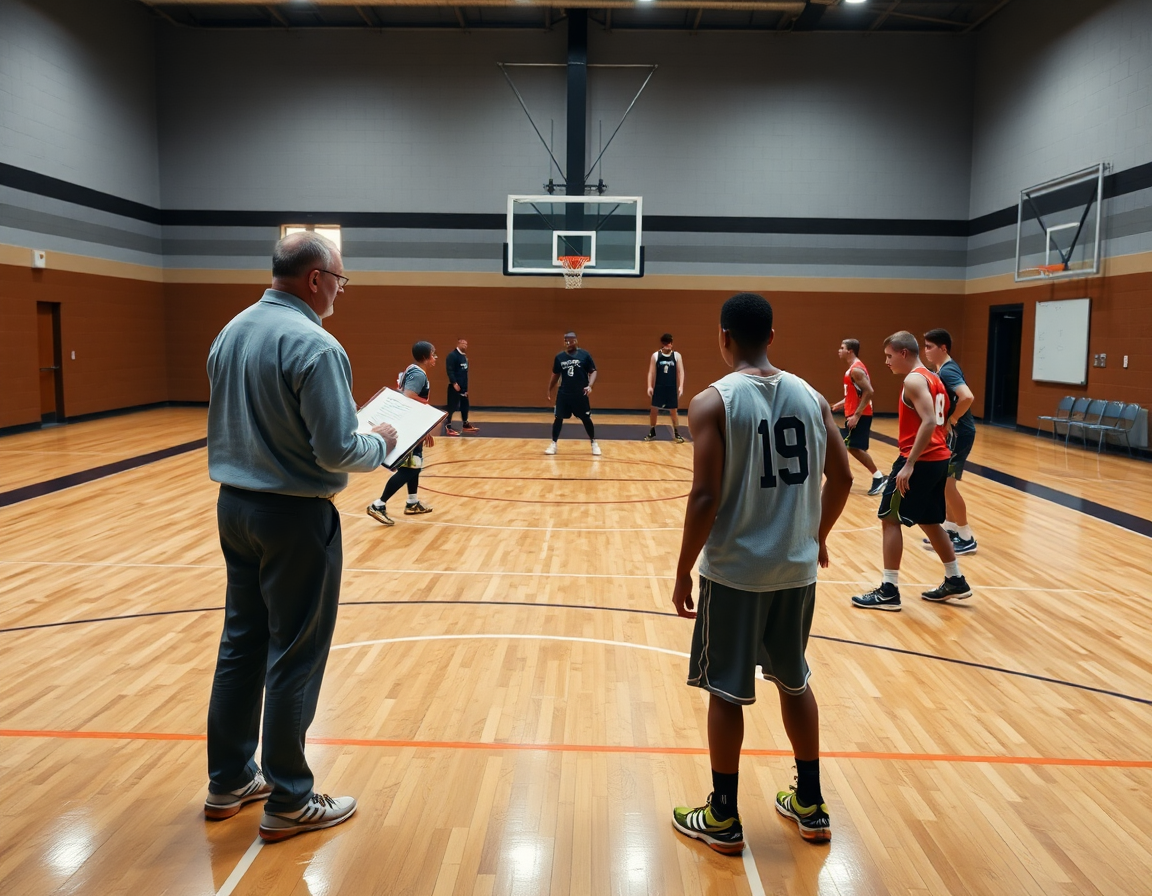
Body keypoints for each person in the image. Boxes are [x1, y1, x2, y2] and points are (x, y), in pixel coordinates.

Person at [204, 232, 398, 842]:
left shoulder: (230, 331)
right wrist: (384, 441)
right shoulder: (316, 344)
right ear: (316, 279)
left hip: (234, 507)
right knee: (295, 652)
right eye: (340, 278)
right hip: (293, 517)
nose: (342, 288)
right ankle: (290, 797)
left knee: (242, 642)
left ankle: (230, 776)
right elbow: (339, 448)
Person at [670, 293, 853, 855]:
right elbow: (843, 478)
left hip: (735, 573)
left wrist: (681, 573)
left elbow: (704, 497)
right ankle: (812, 804)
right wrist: (815, 538)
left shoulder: (712, 402)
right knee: (794, 681)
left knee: (726, 691)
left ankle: (723, 817)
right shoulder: (814, 396)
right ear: (771, 336)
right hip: (796, 572)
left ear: (723, 336)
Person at [852, 331, 973, 612]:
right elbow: (940, 419)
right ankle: (955, 579)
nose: (886, 362)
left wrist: (909, 464)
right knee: (930, 521)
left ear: (903, 353)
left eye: (889, 356)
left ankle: (888, 590)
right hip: (938, 458)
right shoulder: (934, 377)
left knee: (889, 518)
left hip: (919, 461)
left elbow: (930, 421)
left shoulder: (914, 379)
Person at [367, 342, 437, 524]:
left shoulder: (414, 370)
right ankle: (378, 504)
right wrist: (421, 425)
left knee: (414, 466)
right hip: (409, 426)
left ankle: (412, 502)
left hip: (414, 424)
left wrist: (425, 425)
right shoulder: (418, 374)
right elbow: (408, 397)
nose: (435, 358)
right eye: (433, 354)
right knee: (411, 468)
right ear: (426, 357)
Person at [923, 329, 977, 554]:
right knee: (944, 483)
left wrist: (952, 420)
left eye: (929, 347)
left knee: (947, 484)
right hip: (953, 435)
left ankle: (966, 536)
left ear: (943, 348)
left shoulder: (949, 370)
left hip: (959, 434)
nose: (926, 351)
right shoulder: (941, 369)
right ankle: (951, 528)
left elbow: (967, 396)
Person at [830, 339, 887, 495]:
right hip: (854, 413)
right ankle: (847, 476)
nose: (839, 350)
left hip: (861, 415)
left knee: (853, 447)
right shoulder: (852, 370)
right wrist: (841, 404)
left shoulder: (856, 370)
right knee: (849, 446)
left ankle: (878, 477)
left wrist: (856, 415)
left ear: (850, 351)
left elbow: (869, 391)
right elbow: (855, 393)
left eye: (842, 348)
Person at [545, 331, 600, 456]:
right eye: (566, 340)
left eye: (571, 340)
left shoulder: (584, 355)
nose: (569, 343)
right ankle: (553, 444)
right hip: (564, 393)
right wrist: (549, 389)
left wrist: (590, 385)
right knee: (558, 418)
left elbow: (593, 371)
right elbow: (555, 374)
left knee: (586, 418)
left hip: (580, 393)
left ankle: (593, 443)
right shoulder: (559, 357)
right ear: (564, 342)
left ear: (576, 340)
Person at [644, 333, 686, 443]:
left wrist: (681, 386)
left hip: (671, 388)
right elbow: (651, 372)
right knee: (654, 410)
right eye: (666, 343)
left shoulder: (677, 356)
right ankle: (652, 430)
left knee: (673, 411)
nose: (668, 345)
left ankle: (676, 432)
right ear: (663, 344)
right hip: (659, 387)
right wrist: (649, 386)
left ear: (672, 343)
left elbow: (681, 372)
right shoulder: (656, 356)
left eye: (670, 343)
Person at [444, 337, 478, 436]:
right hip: (454, 386)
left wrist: (465, 388)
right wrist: (454, 383)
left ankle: (465, 424)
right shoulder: (452, 355)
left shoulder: (464, 357)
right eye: (462, 343)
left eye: (466, 344)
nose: (464, 345)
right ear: (458, 343)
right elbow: (450, 370)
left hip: (463, 387)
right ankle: (448, 426)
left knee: (465, 405)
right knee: (452, 407)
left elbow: (465, 374)